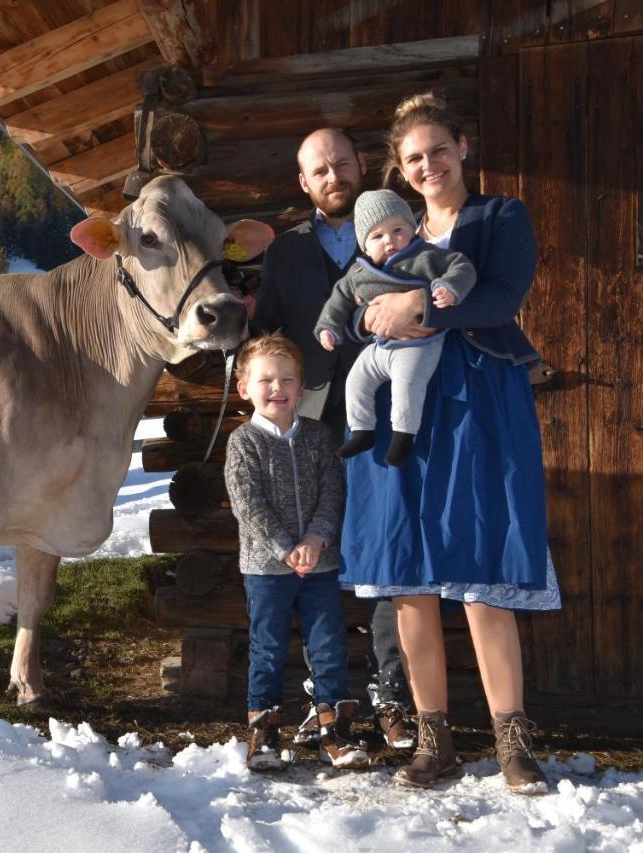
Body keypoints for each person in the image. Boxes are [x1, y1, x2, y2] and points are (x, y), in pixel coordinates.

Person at [340, 92, 561, 794]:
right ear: (400, 172)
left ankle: (512, 741)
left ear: (463, 147)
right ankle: (432, 739)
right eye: (413, 157)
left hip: (477, 402)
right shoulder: (386, 232)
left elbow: (501, 297)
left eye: (438, 149)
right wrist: (378, 315)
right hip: (400, 412)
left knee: (479, 573)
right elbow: (353, 315)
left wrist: (418, 307)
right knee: (409, 580)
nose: (427, 164)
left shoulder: (500, 217)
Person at [251, 128, 415, 752]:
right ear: (304, 182)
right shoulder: (287, 251)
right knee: (312, 556)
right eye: (319, 169)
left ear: (361, 165)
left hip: (386, 413)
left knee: (384, 551)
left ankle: (391, 697)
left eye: (341, 164)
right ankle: (326, 703)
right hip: (315, 421)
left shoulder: (399, 232)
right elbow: (266, 326)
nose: (333, 175)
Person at [224, 333, 369, 771]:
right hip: (267, 569)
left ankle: (334, 731)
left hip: (320, 564)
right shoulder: (243, 443)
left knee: (327, 645)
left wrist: (315, 541)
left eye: (287, 379)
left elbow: (333, 493)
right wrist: (287, 548)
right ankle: (265, 733)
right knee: (267, 647)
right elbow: (247, 504)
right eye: (265, 379)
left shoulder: (319, 438)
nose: (277, 388)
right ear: (244, 387)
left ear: (301, 388)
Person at [315, 189, 476, 466]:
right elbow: (337, 301)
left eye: (397, 229)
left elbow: (462, 267)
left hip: (418, 343)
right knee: (356, 381)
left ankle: (403, 437)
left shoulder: (426, 256)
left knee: (407, 384)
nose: (389, 240)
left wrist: (448, 287)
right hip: (380, 344)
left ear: (412, 229)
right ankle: (361, 430)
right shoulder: (358, 273)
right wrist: (328, 328)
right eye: (377, 236)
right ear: (364, 246)